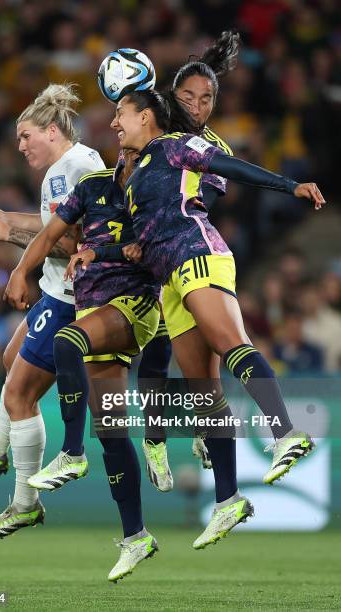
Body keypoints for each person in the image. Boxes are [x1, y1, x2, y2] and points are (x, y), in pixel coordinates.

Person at [109, 89, 324, 548]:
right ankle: (228, 499)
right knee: (206, 396)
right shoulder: (130, 175)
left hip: (199, 254)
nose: (114, 124)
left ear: (146, 117)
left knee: (231, 343)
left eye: (120, 114)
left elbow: (232, 167)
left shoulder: (173, 146)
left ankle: (285, 432)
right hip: (169, 282)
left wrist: (291, 186)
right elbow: (142, 233)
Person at [0, 83, 105, 538]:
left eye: (25, 136)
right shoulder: (81, 162)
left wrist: (14, 241)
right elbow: (54, 227)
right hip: (62, 295)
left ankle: (24, 504)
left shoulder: (65, 172)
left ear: (52, 131)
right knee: (8, 361)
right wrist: (11, 221)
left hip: (70, 301)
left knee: (19, 394)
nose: (20, 147)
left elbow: (71, 243)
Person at [3, 150, 160, 582]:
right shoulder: (91, 186)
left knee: (66, 340)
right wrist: (21, 271)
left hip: (133, 304)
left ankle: (72, 453)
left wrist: (101, 251)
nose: (118, 131)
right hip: (94, 310)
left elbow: (153, 248)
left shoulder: (152, 192)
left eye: (124, 120)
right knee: (111, 432)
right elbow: (50, 233)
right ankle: (136, 536)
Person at [139, 31, 241, 494]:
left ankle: (204, 426)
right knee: (156, 352)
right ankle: (155, 440)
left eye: (206, 99)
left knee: (202, 358)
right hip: (142, 254)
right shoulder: (152, 130)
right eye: (187, 97)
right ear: (172, 97)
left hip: (185, 249)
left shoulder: (216, 149)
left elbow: (198, 201)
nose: (197, 107)